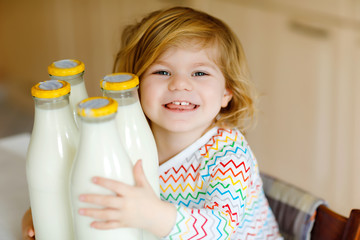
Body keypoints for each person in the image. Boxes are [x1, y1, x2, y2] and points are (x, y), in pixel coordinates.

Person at [22, 6, 282, 239]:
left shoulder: (229, 155)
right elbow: (93, 182)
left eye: (200, 73)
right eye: (162, 71)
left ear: (227, 93)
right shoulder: (128, 135)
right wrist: (49, 211)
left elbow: (221, 228)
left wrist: (151, 214)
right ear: (135, 85)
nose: (179, 83)